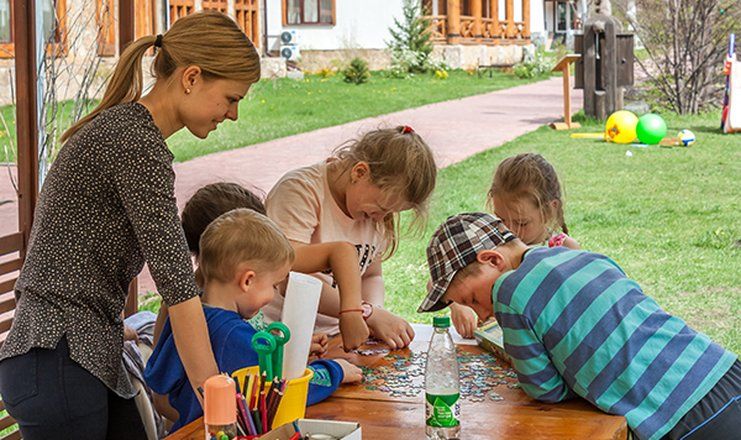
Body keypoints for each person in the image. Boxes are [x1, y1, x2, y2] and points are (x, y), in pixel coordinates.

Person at [0, 11, 260, 439]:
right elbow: (178, 286)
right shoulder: (134, 143)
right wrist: (217, 405)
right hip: (58, 356)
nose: (232, 114)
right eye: (231, 98)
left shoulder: (130, 133)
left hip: (77, 354)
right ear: (191, 78)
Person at [418, 212, 740, 440]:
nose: (480, 313)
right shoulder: (587, 257)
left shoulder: (507, 290)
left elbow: (544, 389)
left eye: (473, 299)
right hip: (720, 369)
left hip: (678, 414)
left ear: (493, 260)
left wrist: (570, 377)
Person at [144, 208, 363, 432]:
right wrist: (335, 370)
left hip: (188, 432)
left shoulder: (187, 319)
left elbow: (159, 377)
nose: (274, 293)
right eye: (274, 285)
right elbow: (284, 392)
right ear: (247, 280)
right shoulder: (233, 335)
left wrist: (280, 353)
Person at [263, 126, 438, 350]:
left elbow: (372, 275)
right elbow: (289, 277)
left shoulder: (374, 214)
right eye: (381, 208)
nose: (381, 218)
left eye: (391, 213)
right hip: (282, 338)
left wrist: (374, 313)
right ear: (359, 172)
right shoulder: (300, 191)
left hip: (338, 336)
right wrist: (365, 313)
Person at [154, 182, 370, 352]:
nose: (274, 290)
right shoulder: (188, 305)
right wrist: (332, 371)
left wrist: (283, 347)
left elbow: (246, 345)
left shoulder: (231, 286)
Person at [451, 153, 580, 338]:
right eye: (501, 220)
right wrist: (459, 304)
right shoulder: (491, 247)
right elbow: (442, 280)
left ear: (551, 208)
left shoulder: (565, 250)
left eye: (521, 223)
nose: (510, 231)